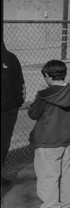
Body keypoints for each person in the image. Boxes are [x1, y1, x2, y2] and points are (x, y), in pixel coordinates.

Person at [25, 59, 70, 208]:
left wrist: (34, 103)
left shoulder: (44, 95)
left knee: (48, 178)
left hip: (46, 142)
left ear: (48, 75)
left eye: (45, 77)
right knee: (66, 177)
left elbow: (33, 114)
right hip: (67, 140)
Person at [1, 41, 26, 181]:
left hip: (8, 111)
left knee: (3, 145)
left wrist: (16, 103)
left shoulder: (10, 58)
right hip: (9, 110)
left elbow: (19, 83)